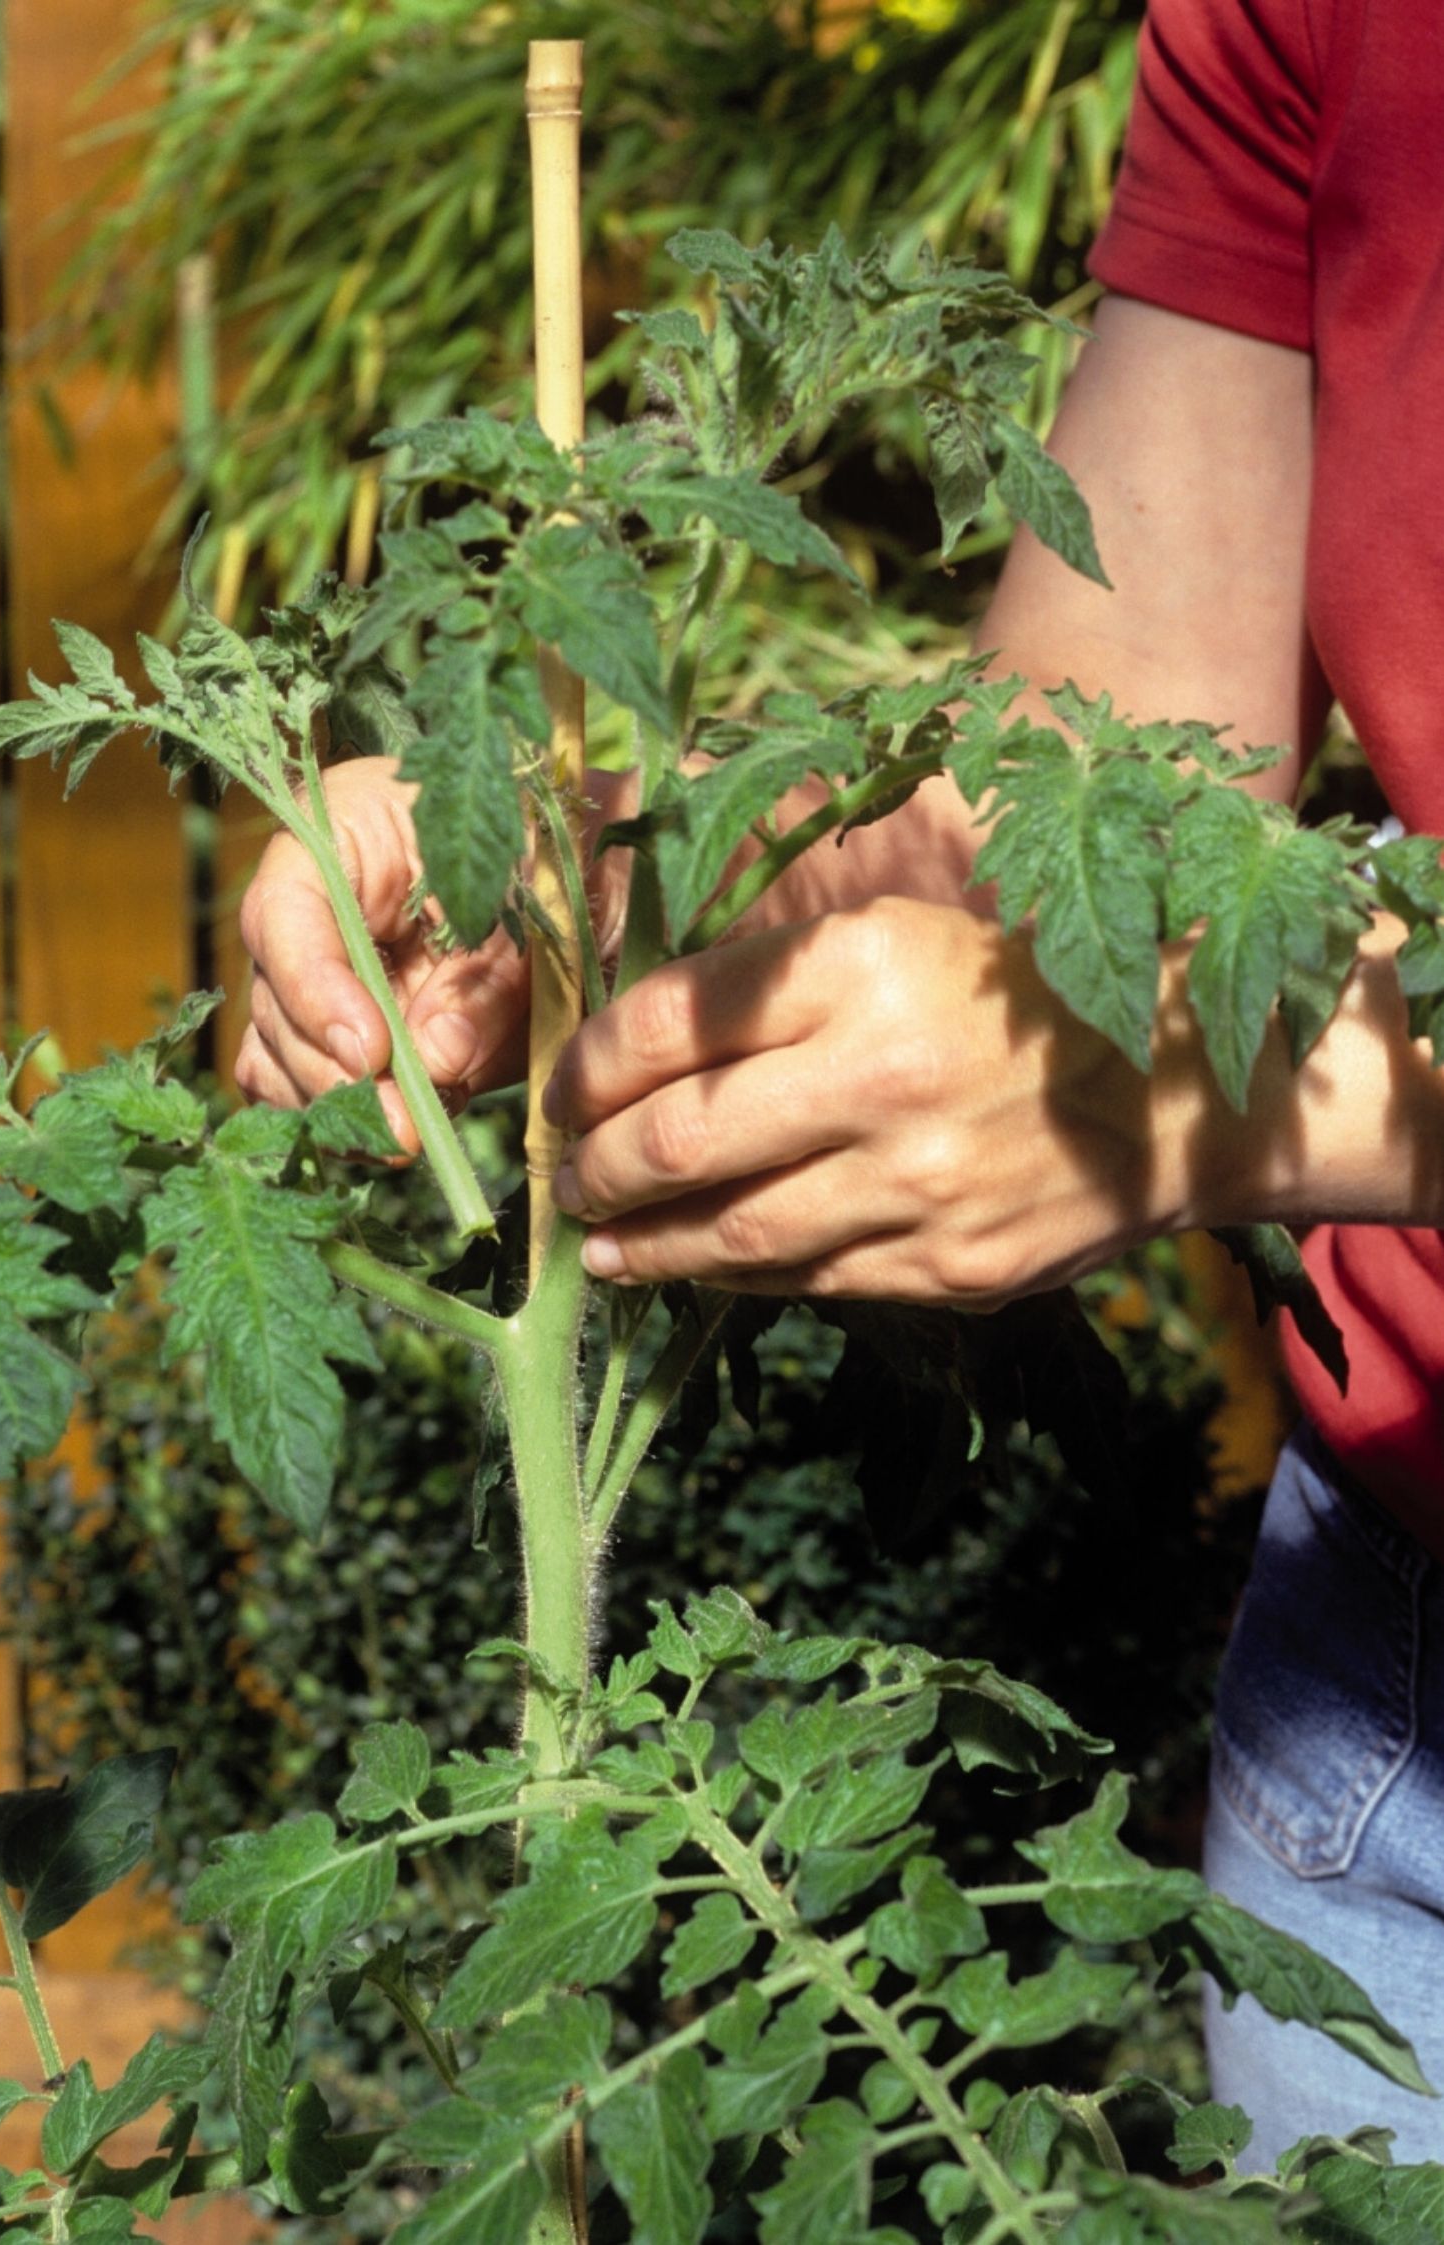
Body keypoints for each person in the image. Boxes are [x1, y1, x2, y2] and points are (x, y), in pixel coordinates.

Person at [234, 0, 1444, 2163]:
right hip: (1384, 1681)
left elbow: (1172, 994)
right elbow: (1103, 747)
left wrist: (1216, 1081)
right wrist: (597, 877)